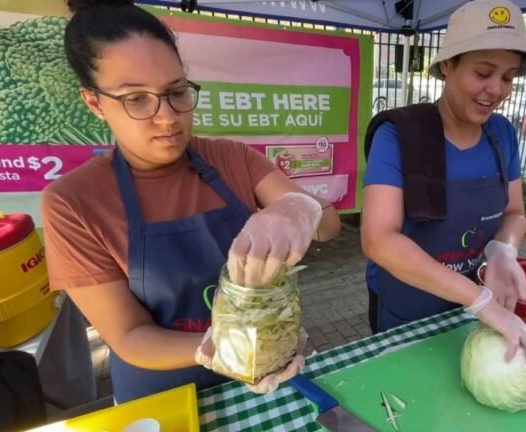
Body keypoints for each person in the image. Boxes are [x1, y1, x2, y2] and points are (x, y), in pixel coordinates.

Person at [41, 0, 340, 404]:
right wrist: (226, 349)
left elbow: (328, 224)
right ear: (94, 102)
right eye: (137, 99)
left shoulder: (232, 158)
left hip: (265, 377)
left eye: (176, 92)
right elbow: (129, 335)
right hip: (161, 397)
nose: (167, 117)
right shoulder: (73, 203)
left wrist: (299, 209)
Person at [361, 0, 526, 370]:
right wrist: (478, 300)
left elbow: (514, 212)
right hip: (411, 309)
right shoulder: (401, 134)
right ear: (448, 65)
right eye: (483, 72)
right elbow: (378, 239)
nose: (496, 89)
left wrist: (503, 251)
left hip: (478, 309)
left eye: (508, 77)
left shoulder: (502, 134)